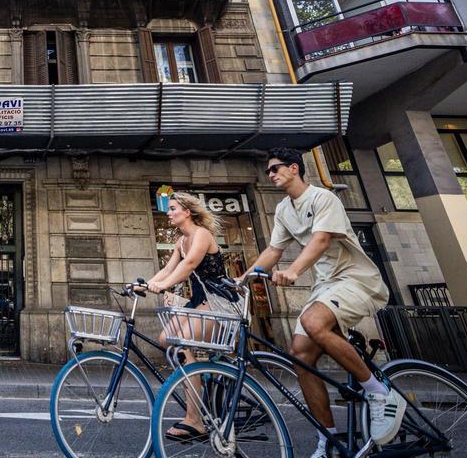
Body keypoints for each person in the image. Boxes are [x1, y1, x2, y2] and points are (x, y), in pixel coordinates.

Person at [249, 147, 405, 456]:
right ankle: (329, 439)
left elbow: (321, 240)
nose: (271, 174)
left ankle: (380, 392)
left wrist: (294, 271)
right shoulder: (283, 209)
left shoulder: (323, 198)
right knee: (300, 356)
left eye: (276, 168)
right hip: (326, 286)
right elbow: (274, 250)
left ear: (295, 168)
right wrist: (244, 278)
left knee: (312, 322)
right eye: (268, 171)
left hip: (355, 280)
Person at [146, 191, 240, 443]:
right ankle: (202, 377)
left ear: (187, 212)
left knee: (184, 342)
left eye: (173, 208)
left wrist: (163, 285)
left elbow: (187, 267)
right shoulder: (180, 241)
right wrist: (146, 284)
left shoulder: (201, 234)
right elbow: (169, 268)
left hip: (218, 301)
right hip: (199, 301)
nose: (169, 212)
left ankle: (194, 419)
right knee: (167, 338)